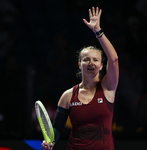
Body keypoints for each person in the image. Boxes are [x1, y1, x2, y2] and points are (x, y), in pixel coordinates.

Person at [41, 7, 119, 150]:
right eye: (86, 60)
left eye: (95, 60)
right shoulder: (68, 95)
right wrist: (50, 142)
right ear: (79, 64)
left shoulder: (108, 87)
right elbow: (57, 129)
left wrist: (98, 32)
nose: (91, 63)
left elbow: (113, 59)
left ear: (102, 65)